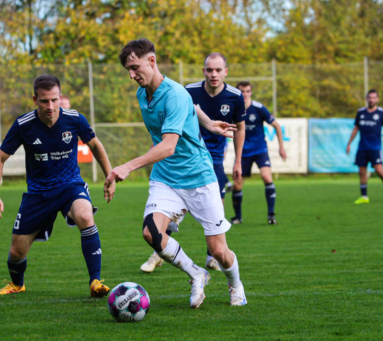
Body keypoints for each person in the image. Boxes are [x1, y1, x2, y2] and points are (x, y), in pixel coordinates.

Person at [107, 38, 247, 307]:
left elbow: (169, 145)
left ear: (151, 61)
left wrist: (126, 166)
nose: (132, 74)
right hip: (166, 178)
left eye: (135, 67)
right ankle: (197, 273)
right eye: (127, 69)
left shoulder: (175, 93)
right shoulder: (142, 93)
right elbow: (188, 110)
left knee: (219, 251)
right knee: (151, 234)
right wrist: (208, 123)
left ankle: (235, 284)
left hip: (199, 177)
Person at [0, 75, 115, 297]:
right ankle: (17, 283)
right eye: (44, 101)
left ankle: (95, 281)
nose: (50, 106)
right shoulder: (23, 125)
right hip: (38, 193)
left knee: (85, 216)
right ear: (35, 99)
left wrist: (109, 176)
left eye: (54, 100)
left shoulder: (75, 119)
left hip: (70, 185)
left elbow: (95, 144)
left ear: (61, 98)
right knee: (17, 251)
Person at [140, 52, 246, 273]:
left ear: (226, 72)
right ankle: (159, 250)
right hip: (182, 155)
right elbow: (188, 108)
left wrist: (238, 161)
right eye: (209, 70)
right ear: (203, 71)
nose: (213, 74)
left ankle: (213, 254)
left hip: (211, 160)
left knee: (217, 203)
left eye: (218, 70)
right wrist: (207, 124)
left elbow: (240, 129)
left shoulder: (235, 96)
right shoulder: (188, 90)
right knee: (171, 207)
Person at [230, 81, 287, 225]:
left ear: (251, 92)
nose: (245, 94)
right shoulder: (233, 109)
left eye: (248, 91)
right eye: (242, 91)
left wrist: (281, 147)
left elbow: (277, 126)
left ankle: (271, 215)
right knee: (237, 186)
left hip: (260, 150)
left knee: (267, 177)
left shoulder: (258, 108)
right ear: (237, 92)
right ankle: (238, 217)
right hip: (243, 152)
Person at [346, 89, 383, 204]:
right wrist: (349, 143)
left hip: (375, 147)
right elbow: (356, 128)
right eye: (370, 97)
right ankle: (364, 197)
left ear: (377, 99)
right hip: (362, 147)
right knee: (362, 171)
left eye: (374, 98)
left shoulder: (382, 113)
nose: (371, 100)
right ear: (366, 99)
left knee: (379, 170)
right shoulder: (361, 112)